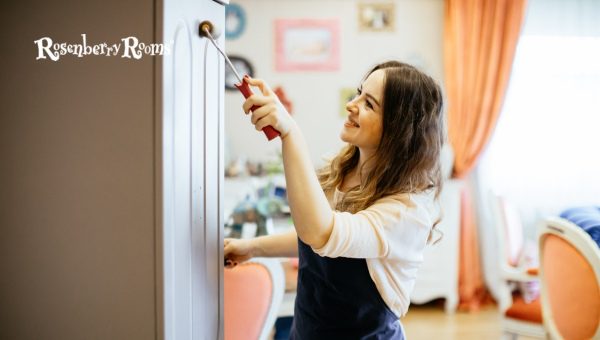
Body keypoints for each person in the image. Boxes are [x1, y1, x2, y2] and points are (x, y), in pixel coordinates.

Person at [224, 60, 445, 339]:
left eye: (369, 104)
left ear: (398, 131)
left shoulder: (406, 213)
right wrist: (252, 247)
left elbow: (322, 233)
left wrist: (291, 134)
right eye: (359, 93)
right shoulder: (341, 171)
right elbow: (313, 240)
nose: (352, 104)